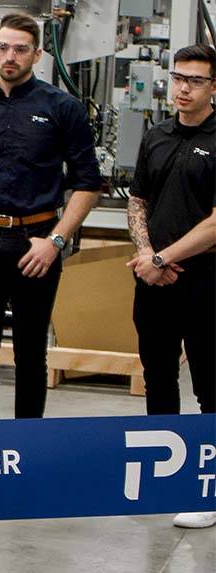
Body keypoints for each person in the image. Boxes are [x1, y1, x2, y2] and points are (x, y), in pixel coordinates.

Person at [0, 13, 101, 420]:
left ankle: (29, 446)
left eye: (21, 49)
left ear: (38, 54)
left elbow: (88, 184)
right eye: (4, 48)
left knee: (31, 354)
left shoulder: (62, 108)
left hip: (37, 244)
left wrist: (56, 242)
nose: (11, 57)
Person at [126, 44, 216, 528]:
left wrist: (164, 256)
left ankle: (208, 486)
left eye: (196, 80)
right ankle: (166, 480)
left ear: (214, 87)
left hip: (205, 280)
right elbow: (137, 200)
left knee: (209, 385)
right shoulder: (156, 135)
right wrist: (146, 257)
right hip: (154, 280)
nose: (183, 88)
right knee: (158, 378)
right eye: (178, 78)